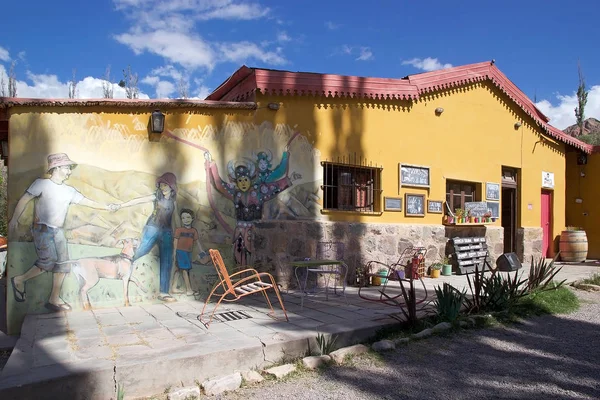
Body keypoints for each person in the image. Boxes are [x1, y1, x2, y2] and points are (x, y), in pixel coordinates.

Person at [9, 153, 118, 312]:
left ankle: (54, 299)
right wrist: (14, 220)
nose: (69, 171)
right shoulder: (41, 184)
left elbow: (88, 202)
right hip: (42, 229)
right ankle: (19, 279)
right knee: (49, 261)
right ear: (57, 168)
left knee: (62, 265)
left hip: (58, 231)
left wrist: (108, 207)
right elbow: (24, 200)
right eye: (67, 167)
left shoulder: (69, 191)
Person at [204, 151, 301, 266]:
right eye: (240, 180)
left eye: (245, 180)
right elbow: (219, 185)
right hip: (239, 232)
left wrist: (290, 180)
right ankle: (242, 279)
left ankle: (253, 280)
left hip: (255, 231)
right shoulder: (235, 193)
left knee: (255, 257)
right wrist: (212, 165)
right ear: (236, 182)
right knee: (239, 256)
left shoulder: (259, 192)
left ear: (251, 180)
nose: (243, 183)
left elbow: (275, 187)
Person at [119, 172, 179, 302]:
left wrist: (176, 236)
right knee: (141, 249)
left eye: (165, 185)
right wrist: (122, 205)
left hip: (167, 231)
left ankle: (163, 292)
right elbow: (139, 200)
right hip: (152, 228)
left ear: (171, 186)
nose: (162, 188)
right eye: (161, 185)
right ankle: (122, 267)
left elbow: (176, 218)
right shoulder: (156, 197)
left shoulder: (174, 202)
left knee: (167, 259)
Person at [170, 208, 209, 296]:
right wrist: (175, 252)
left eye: (188, 217)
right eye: (183, 218)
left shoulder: (193, 231)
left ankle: (174, 287)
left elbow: (197, 242)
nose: (185, 220)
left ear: (192, 218)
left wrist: (201, 251)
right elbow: (175, 241)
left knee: (178, 269)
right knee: (185, 270)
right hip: (181, 252)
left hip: (188, 252)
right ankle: (189, 289)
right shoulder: (179, 230)